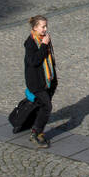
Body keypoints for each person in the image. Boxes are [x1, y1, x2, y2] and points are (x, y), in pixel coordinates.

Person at [23, 15, 57, 147]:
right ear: (35, 27)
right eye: (43, 26)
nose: (45, 29)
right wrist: (44, 45)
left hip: (47, 80)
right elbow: (34, 61)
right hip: (36, 82)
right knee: (47, 106)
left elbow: (49, 59)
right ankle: (36, 132)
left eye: (46, 26)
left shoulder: (45, 38)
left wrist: (53, 78)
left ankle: (34, 123)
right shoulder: (30, 43)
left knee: (43, 105)